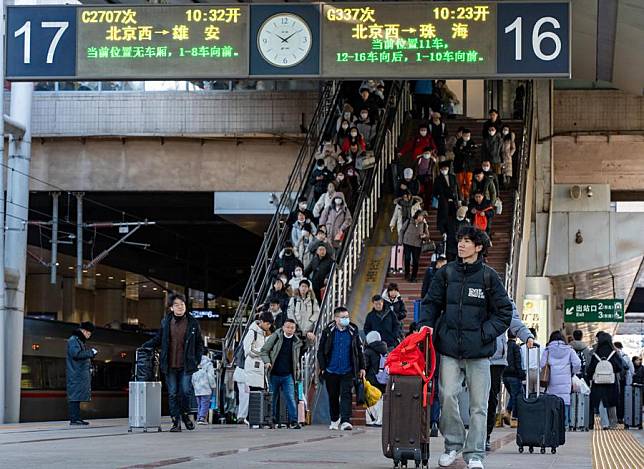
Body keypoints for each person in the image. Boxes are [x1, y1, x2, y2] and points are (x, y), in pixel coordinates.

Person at [419, 227, 513, 469]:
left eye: (467, 241)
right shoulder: (446, 273)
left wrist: (485, 334)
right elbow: (430, 303)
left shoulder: (489, 277)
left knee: (479, 406)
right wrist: (426, 326)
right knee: (447, 396)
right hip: (449, 349)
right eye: (460, 240)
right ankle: (453, 445)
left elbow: (504, 312)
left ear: (478, 247)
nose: (461, 245)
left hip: (479, 354)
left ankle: (475, 455)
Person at [143, 294, 204, 432]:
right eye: (177, 305)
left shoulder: (193, 322)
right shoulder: (166, 322)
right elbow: (159, 338)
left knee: (185, 391)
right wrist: (145, 345)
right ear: (171, 308)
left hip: (186, 365)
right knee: (172, 393)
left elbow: (199, 344)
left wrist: (197, 359)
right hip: (169, 365)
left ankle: (185, 415)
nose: (180, 306)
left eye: (182, 304)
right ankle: (176, 422)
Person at [486, 300, 534, 450]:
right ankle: (476, 435)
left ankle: (485, 435)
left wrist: (527, 336)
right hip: (476, 353)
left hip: (497, 359)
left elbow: (514, 321)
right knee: (478, 398)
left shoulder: (505, 300)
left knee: (491, 398)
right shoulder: (476, 289)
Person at [318, 306, 366, 431]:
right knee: (333, 396)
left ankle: (345, 420)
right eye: (343, 317)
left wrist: (362, 367)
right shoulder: (328, 331)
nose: (346, 319)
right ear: (336, 319)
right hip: (331, 370)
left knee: (346, 395)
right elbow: (320, 351)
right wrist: (323, 368)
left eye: (347, 317)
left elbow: (359, 350)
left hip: (348, 370)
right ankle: (334, 419)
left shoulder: (353, 330)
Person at [260, 319, 303, 429]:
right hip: (274, 373)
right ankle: (271, 420)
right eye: (287, 327)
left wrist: (311, 340)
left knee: (290, 397)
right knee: (272, 398)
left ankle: (294, 421)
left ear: (295, 329)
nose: (289, 330)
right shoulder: (276, 337)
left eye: (292, 328)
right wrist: (267, 362)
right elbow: (264, 350)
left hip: (288, 374)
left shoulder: (296, 341)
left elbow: (305, 349)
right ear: (283, 327)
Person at [540, 330, 581, 428]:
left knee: (552, 403)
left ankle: (552, 425)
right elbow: (577, 363)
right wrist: (572, 372)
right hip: (565, 381)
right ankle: (564, 425)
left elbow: (541, 364)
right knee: (564, 403)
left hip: (551, 382)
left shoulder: (548, 350)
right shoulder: (569, 350)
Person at [586, 332, 623, 430]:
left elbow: (590, 369)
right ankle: (613, 423)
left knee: (601, 402)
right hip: (611, 381)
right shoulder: (613, 353)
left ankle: (605, 424)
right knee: (612, 401)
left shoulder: (596, 353)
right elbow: (620, 367)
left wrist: (590, 376)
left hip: (598, 382)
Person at [66, 321, 98, 426]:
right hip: (75, 374)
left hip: (77, 374)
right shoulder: (73, 340)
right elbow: (76, 354)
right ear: (84, 331)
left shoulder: (78, 340)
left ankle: (77, 418)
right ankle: (74, 419)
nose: (89, 336)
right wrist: (91, 353)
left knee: (77, 396)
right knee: (75, 397)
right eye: (89, 333)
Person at [364, 330, 388, 426]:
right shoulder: (385, 349)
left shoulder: (368, 351)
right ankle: (380, 420)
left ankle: (371, 420)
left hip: (372, 378)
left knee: (371, 398)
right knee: (381, 398)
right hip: (383, 378)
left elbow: (365, 365)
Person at [501, 331, 525, 426]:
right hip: (514, 375)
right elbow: (518, 362)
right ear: (516, 336)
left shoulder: (505, 345)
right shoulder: (516, 347)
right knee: (516, 396)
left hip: (505, 375)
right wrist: (521, 374)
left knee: (513, 395)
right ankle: (513, 417)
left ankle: (507, 412)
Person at [433, 160, 460, 238]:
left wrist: (459, 200)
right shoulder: (438, 179)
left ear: (448, 169)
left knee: (454, 215)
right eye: (442, 169)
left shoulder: (453, 177)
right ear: (440, 170)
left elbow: (457, 188)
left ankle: (455, 231)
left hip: (453, 200)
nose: (444, 170)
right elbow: (435, 191)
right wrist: (440, 197)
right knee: (443, 216)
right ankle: (443, 232)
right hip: (443, 200)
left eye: (446, 168)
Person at [401, 210, 430, 282]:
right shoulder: (409, 221)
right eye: (421, 216)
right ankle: (407, 274)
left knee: (416, 261)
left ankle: (414, 276)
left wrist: (424, 236)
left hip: (417, 244)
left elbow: (427, 235)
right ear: (417, 215)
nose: (421, 218)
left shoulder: (424, 224)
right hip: (407, 242)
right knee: (407, 258)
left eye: (423, 217)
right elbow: (402, 230)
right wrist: (400, 241)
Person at [453, 128, 476, 202]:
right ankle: (461, 197)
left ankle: (467, 196)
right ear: (462, 135)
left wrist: (466, 151)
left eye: (468, 135)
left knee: (468, 183)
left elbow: (473, 153)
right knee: (460, 183)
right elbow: (457, 152)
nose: (467, 137)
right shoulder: (458, 142)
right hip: (459, 166)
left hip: (469, 167)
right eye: (465, 135)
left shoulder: (472, 143)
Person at [192, 355, 216, 425]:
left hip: (197, 388)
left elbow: (192, 376)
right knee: (205, 403)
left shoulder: (195, 362)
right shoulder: (208, 364)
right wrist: (213, 385)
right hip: (206, 387)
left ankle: (199, 417)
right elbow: (211, 376)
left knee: (199, 404)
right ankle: (202, 418)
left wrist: (194, 386)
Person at [614, 341, 634, 423]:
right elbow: (631, 370)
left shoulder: (614, 355)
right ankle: (621, 417)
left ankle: (615, 417)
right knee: (623, 399)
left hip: (615, 380)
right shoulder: (626, 357)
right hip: (624, 382)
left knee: (615, 399)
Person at [520, 328, 540, 394]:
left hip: (526, 372)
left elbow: (521, 361)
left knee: (527, 394)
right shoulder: (541, 346)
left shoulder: (521, 347)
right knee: (538, 394)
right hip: (538, 372)